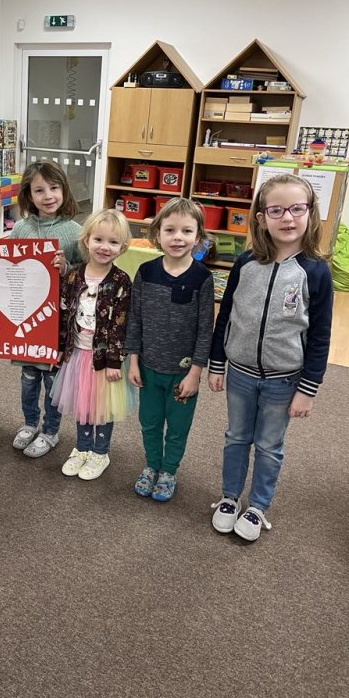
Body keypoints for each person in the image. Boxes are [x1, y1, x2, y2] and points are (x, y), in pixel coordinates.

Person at [209, 174, 333, 541]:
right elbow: (226, 314)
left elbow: (320, 336)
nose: (287, 217)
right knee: (236, 437)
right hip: (240, 373)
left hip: (284, 379)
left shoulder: (316, 272)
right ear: (262, 218)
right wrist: (217, 363)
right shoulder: (245, 262)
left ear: (310, 214)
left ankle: (258, 505)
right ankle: (229, 497)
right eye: (276, 210)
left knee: (268, 445)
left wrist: (308, 389)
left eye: (297, 208)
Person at [126, 197, 214, 502]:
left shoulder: (202, 278)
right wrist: (133, 360)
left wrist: (195, 373)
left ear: (198, 236)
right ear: (157, 234)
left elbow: (205, 330)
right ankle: (152, 466)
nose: (178, 238)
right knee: (149, 422)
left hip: (183, 372)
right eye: (170, 230)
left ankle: (168, 471)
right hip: (148, 368)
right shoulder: (145, 272)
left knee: (177, 427)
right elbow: (135, 319)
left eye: (187, 231)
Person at [52, 209, 134, 480]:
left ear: (122, 247)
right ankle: (82, 447)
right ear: (86, 240)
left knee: (102, 407)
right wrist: (60, 349)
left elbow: (121, 324)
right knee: (82, 403)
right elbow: (64, 313)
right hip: (77, 355)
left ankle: (100, 452)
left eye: (113, 242)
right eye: (98, 239)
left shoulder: (121, 281)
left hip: (104, 359)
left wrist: (114, 360)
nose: (104, 247)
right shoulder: (73, 276)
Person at [10, 160, 83, 458]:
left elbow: (88, 273)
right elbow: (10, 268)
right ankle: (30, 424)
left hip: (59, 322)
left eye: (54, 188)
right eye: (39, 190)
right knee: (28, 378)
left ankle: (51, 431)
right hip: (27, 320)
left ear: (64, 189)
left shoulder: (75, 231)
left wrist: (66, 268)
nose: (48, 196)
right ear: (29, 195)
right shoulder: (20, 228)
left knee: (53, 380)